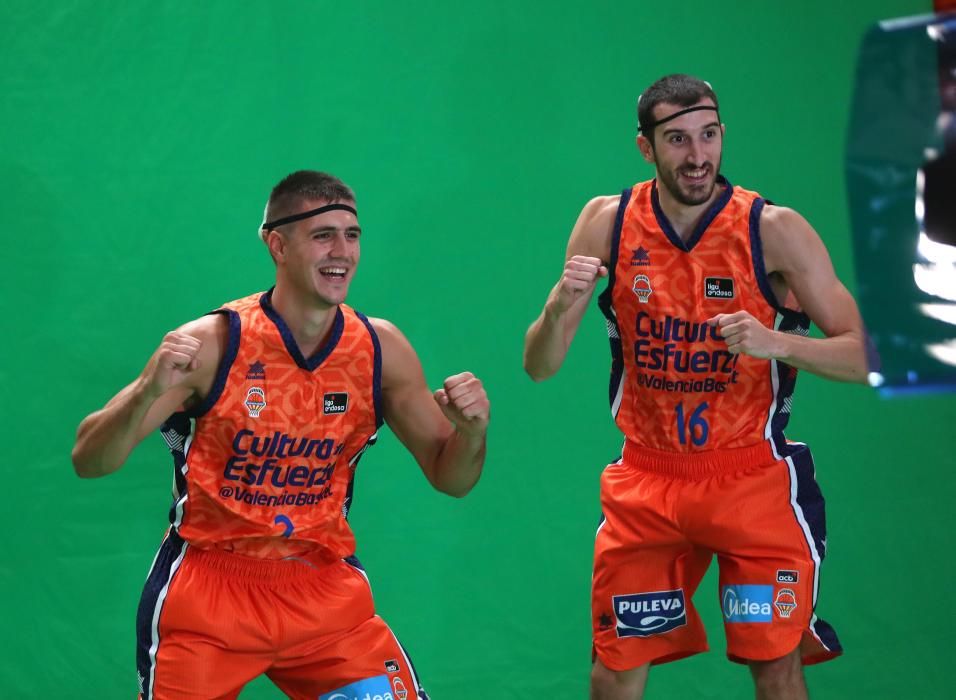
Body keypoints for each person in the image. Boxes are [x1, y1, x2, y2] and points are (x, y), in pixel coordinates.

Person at [72, 170, 490, 700]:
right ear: (277, 244)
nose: (342, 251)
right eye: (323, 235)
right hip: (208, 596)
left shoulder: (379, 350)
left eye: (352, 234)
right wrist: (145, 391)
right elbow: (89, 458)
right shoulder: (213, 344)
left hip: (323, 594)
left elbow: (451, 477)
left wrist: (471, 433)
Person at [523, 74, 868, 700]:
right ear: (645, 148)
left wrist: (779, 342)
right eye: (678, 139)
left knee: (776, 666)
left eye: (708, 136)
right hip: (646, 483)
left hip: (751, 481)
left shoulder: (774, 230)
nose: (697, 155)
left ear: (722, 136)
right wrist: (559, 305)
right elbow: (540, 365)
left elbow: (865, 355)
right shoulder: (607, 222)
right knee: (615, 669)